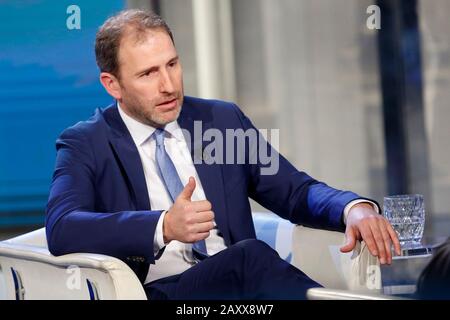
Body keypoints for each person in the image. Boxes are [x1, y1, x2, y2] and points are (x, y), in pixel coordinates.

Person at [45, 9, 401, 300]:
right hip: (161, 293)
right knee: (249, 256)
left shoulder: (219, 120)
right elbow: (62, 228)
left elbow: (294, 191)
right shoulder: (86, 143)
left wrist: (353, 209)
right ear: (113, 85)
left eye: (172, 64)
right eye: (148, 73)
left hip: (240, 293)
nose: (168, 85)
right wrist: (163, 226)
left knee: (246, 260)